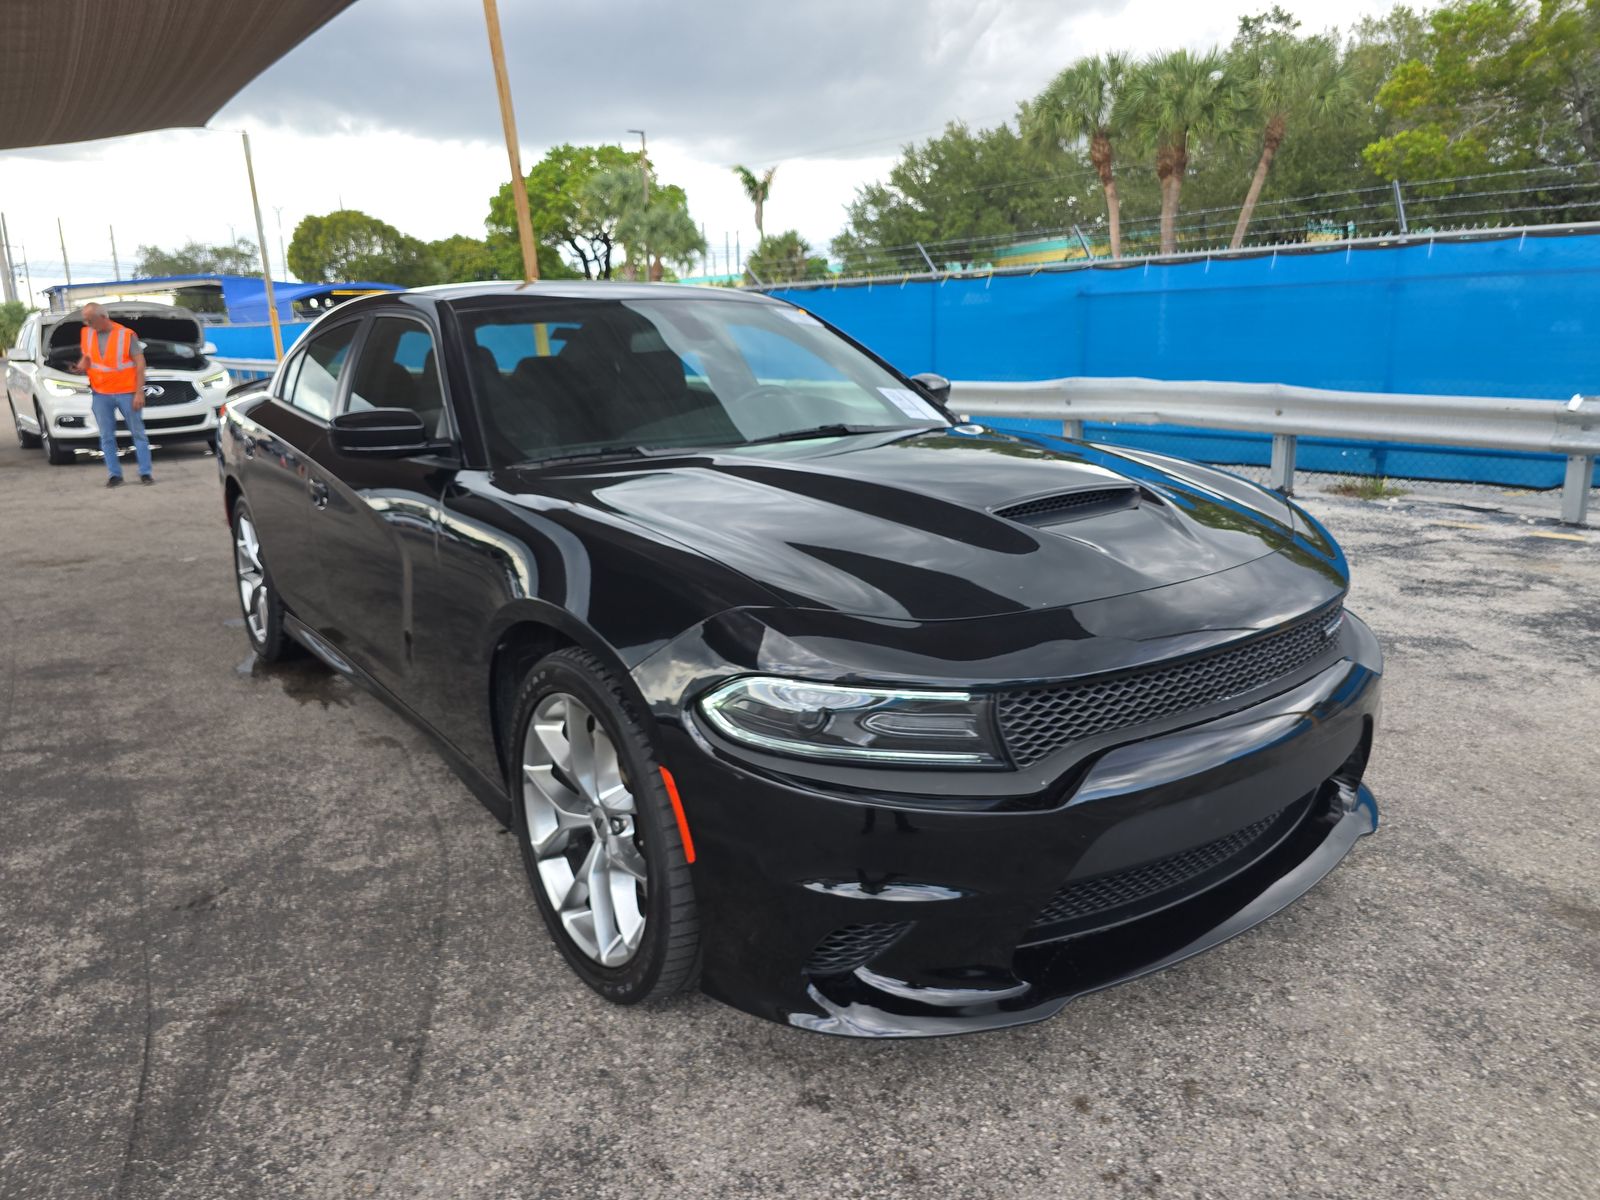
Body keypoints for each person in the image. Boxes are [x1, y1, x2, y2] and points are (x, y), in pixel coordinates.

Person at [75, 302, 153, 487]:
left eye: (90, 320)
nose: (87, 323)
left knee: (138, 434)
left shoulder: (125, 335)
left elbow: (140, 364)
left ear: (103, 317)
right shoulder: (87, 333)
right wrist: (81, 366)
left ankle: (145, 473)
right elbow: (88, 357)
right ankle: (114, 475)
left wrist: (139, 392)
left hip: (127, 392)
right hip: (100, 394)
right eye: (85, 320)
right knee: (106, 436)